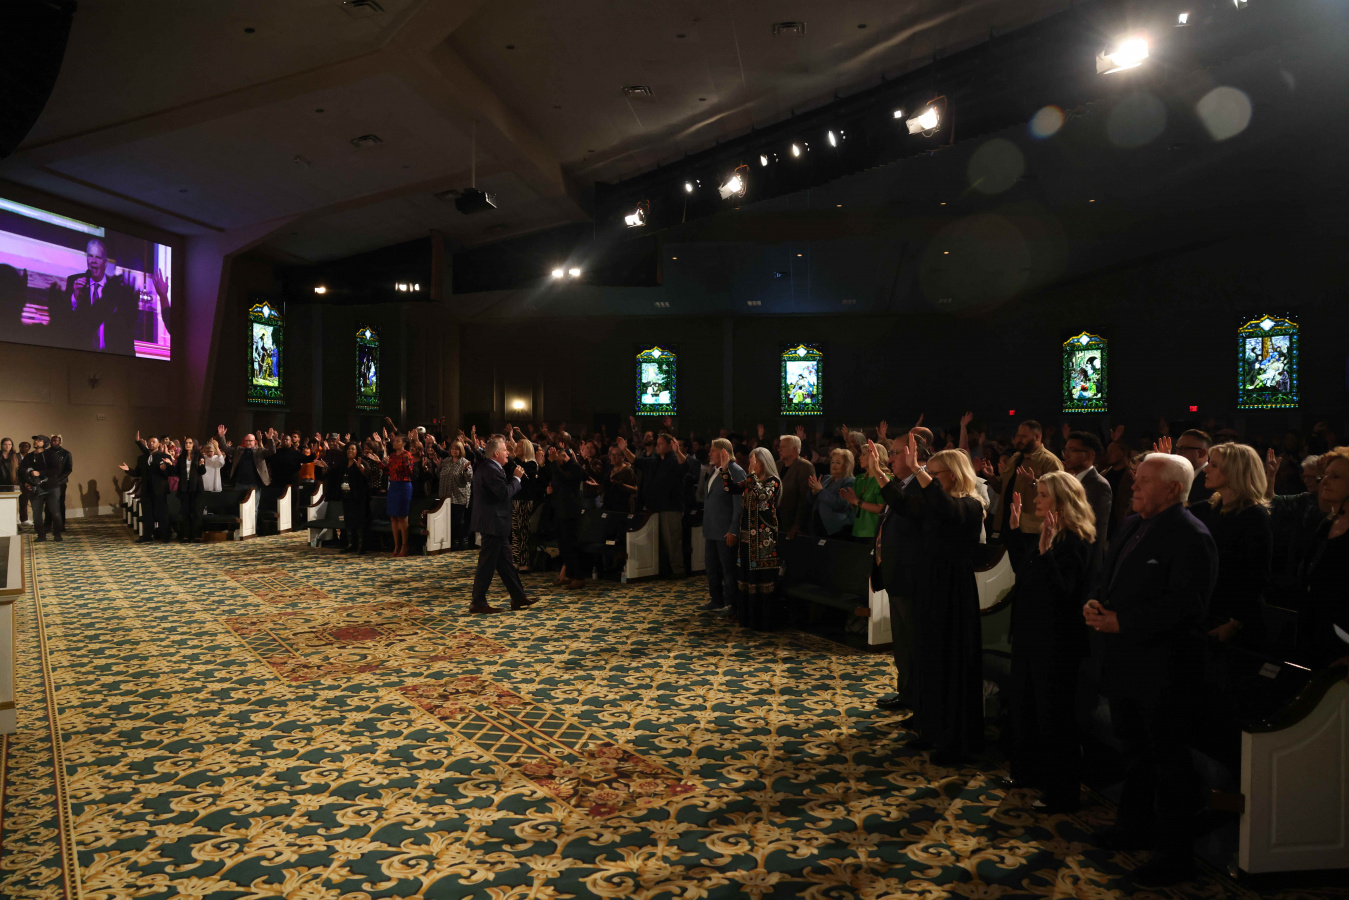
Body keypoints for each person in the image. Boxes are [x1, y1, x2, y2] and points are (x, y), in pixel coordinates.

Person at [1083, 452, 1217, 889]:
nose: (1134, 486)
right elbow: (1110, 576)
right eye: (1135, 478)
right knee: (1135, 752)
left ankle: (1174, 857)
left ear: (1173, 489)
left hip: (1164, 669)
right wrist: (1096, 601)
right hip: (1126, 662)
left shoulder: (1191, 535)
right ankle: (1133, 827)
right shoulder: (1131, 524)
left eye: (1143, 480)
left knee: (1168, 764)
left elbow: (1186, 605)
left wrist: (1122, 621)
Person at [878, 437, 985, 765]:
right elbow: (903, 504)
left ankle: (954, 741)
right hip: (929, 585)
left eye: (934, 473)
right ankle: (930, 728)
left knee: (948, 662)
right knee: (927, 658)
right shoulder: (935, 502)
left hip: (953, 590)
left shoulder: (971, 505)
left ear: (953, 474)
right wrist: (879, 474)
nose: (928, 478)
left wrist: (915, 469)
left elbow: (946, 508)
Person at [1007, 472, 1096, 813]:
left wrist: (1045, 554)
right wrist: (1015, 531)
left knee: (1054, 716)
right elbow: (1024, 571)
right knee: (1027, 706)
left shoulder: (1075, 539)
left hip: (1056, 641)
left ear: (1062, 500)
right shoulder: (1050, 531)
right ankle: (1029, 774)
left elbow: (1063, 592)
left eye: (1043, 494)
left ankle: (1061, 793)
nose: (1036, 499)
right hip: (1031, 634)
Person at [1188, 442, 1273, 649]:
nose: (1206, 470)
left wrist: (1235, 622)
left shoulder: (1254, 516)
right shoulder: (1212, 507)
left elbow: (1256, 575)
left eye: (1214, 465)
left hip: (1235, 622)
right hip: (1211, 612)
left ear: (1235, 472)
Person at [874, 436, 931, 712]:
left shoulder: (922, 486)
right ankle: (906, 692)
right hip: (895, 573)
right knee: (902, 642)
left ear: (913, 454)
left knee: (913, 641)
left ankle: (918, 697)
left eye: (896, 453)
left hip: (911, 576)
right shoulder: (900, 484)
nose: (890, 459)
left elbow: (911, 518)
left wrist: (877, 473)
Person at [469, 437, 540, 614]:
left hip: (495, 523)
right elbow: (504, 493)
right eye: (504, 450)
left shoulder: (490, 467)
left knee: (506, 564)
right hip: (492, 522)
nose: (508, 452)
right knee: (486, 565)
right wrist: (516, 479)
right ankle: (478, 602)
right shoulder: (491, 469)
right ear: (496, 453)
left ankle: (518, 597)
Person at [1298, 446, 1349, 669]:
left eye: (1336, 476)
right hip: (1314, 641)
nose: (1325, 481)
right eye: (1325, 475)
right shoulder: (1327, 524)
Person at [723, 447, 781, 630]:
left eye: (755, 461)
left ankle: (763, 622)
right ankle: (747, 619)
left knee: (762, 581)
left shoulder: (773, 481)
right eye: (751, 462)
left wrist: (752, 476)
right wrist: (724, 469)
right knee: (746, 580)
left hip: (764, 543)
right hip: (746, 541)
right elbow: (731, 488)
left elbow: (762, 495)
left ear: (765, 462)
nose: (752, 465)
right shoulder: (750, 481)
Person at [995, 420, 1064, 566]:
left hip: (1032, 530)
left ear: (1037, 437)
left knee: (1029, 569)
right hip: (1009, 524)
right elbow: (1004, 488)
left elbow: (1058, 494)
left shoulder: (1049, 461)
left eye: (1024, 436)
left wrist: (1034, 483)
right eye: (1018, 435)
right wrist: (990, 477)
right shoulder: (1015, 457)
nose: (1019, 440)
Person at [63, 238, 140, 354]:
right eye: (90, 256)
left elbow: (126, 330)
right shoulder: (74, 282)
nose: (93, 261)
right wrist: (75, 297)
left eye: (98, 257)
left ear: (105, 263)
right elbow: (64, 318)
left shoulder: (116, 289)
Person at [624, 433, 687, 577]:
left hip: (671, 508)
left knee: (672, 542)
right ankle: (664, 570)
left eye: (660, 444)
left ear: (670, 446)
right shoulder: (655, 461)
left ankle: (678, 571)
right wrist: (624, 450)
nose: (657, 446)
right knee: (659, 543)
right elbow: (635, 460)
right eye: (657, 443)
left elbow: (684, 467)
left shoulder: (674, 460)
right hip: (655, 508)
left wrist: (678, 452)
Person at [699, 438, 745, 616]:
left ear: (723, 452)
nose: (709, 453)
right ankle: (716, 600)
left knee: (729, 570)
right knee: (712, 568)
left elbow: (739, 504)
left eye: (713, 450)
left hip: (726, 531)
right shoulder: (715, 470)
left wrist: (733, 529)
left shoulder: (735, 470)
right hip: (712, 529)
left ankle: (732, 604)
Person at [1062, 431, 1113, 566]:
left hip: (1083, 558)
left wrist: (1093, 566)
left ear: (1090, 455)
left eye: (1072, 450)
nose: (1066, 455)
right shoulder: (1069, 480)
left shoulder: (1099, 485)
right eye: (1066, 450)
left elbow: (1098, 530)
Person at [544, 444, 587, 587]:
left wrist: (553, 463)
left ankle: (579, 577)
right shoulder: (558, 467)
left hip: (570, 511)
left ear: (563, 455)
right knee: (563, 545)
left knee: (571, 545)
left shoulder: (575, 467)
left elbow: (564, 479)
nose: (557, 462)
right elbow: (555, 479)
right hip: (559, 509)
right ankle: (569, 575)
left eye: (558, 459)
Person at [839, 442, 887, 545]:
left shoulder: (884, 480)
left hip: (873, 531)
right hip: (858, 530)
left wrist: (856, 501)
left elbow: (880, 509)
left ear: (876, 456)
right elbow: (855, 506)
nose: (860, 457)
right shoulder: (859, 478)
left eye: (864, 454)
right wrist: (850, 501)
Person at [20, 436, 63, 542]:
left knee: (55, 512)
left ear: (45, 443)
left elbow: (57, 470)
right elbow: (21, 471)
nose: (36, 441)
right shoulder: (29, 456)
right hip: (35, 488)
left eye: (39, 440)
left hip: (51, 487)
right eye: (35, 440)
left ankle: (57, 534)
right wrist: (25, 483)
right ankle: (41, 535)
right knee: (36, 513)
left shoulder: (51, 454)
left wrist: (40, 473)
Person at [807, 448, 855, 538]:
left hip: (836, 529)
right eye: (832, 462)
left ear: (846, 465)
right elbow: (812, 501)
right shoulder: (826, 478)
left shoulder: (850, 481)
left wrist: (821, 491)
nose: (834, 465)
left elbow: (840, 505)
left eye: (838, 463)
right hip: (817, 526)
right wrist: (813, 492)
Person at [775, 434, 815, 539]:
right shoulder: (778, 465)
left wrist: (797, 524)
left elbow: (804, 499)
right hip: (777, 521)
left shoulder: (805, 467)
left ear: (794, 449)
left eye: (783, 447)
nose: (779, 450)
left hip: (792, 524)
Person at [382, 435, 414, 557]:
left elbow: (410, 472)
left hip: (404, 486)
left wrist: (407, 463)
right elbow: (389, 472)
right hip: (393, 485)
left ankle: (405, 546)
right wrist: (379, 463)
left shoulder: (407, 455)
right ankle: (396, 545)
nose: (394, 443)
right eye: (394, 441)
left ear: (404, 443)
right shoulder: (392, 456)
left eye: (397, 441)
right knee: (393, 517)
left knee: (402, 517)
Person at [510, 437, 539, 570]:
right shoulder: (516, 462)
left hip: (525, 500)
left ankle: (524, 561)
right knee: (515, 531)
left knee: (523, 531)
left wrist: (513, 458)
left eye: (519, 447)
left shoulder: (531, 464)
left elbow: (523, 475)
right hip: (515, 499)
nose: (516, 448)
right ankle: (516, 559)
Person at [438, 441, 473, 551]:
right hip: (445, 496)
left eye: (457, 449)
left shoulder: (465, 462)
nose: (454, 451)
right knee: (448, 522)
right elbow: (440, 475)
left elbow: (469, 479)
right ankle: (450, 543)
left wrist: (466, 471)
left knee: (458, 522)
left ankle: (461, 543)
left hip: (458, 496)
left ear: (461, 450)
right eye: (452, 448)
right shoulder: (446, 461)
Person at [175, 437, 205, 542]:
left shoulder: (199, 455)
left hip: (196, 488)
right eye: (186, 443)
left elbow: (202, 471)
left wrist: (201, 465)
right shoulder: (181, 457)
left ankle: (196, 536)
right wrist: (170, 464)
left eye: (190, 443)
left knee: (196, 512)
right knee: (185, 512)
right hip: (184, 488)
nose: (188, 444)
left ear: (194, 444)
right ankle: (185, 536)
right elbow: (177, 471)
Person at [1173, 429, 1212, 505]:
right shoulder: (1178, 477)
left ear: (1201, 453)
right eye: (1176, 449)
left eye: (1182, 449)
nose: (1177, 454)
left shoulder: (1211, 481)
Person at [49, 434, 73, 516]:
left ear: (60, 442)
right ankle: (48, 522)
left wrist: (59, 479)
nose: (53, 442)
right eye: (52, 441)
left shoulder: (66, 453)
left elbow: (68, 469)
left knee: (60, 502)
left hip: (60, 482)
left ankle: (61, 522)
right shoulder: (46, 453)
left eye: (55, 441)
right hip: (48, 482)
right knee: (48, 503)